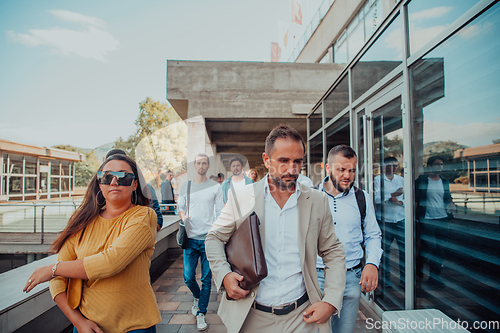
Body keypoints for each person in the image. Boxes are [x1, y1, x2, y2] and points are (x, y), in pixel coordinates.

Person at [205, 125, 346, 333]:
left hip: (303, 318)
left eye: (297, 161)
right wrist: (224, 275)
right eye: (283, 161)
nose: (292, 169)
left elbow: (333, 251)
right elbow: (214, 238)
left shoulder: (317, 201)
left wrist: (331, 300)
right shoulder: (243, 197)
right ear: (266, 160)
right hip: (252, 317)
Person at [23, 154, 161, 333]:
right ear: (99, 183)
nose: (114, 182)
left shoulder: (144, 216)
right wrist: (78, 322)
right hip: (87, 326)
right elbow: (59, 280)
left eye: (123, 177)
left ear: (135, 184)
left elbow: (111, 261)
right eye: (107, 177)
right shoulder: (83, 220)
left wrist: (52, 269)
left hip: (135, 326)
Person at [316, 145, 382, 333]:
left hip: (351, 277)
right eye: (341, 169)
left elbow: (373, 235)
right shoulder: (310, 197)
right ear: (328, 168)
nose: (347, 175)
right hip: (318, 277)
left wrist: (372, 263)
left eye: (352, 170)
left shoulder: (362, 198)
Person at [177, 153, 223, 331]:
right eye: (198, 163)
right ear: (194, 165)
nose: (201, 166)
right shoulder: (186, 186)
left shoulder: (215, 187)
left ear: (208, 165)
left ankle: (201, 313)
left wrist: (218, 234)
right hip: (190, 238)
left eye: (204, 163)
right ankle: (197, 297)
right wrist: (184, 216)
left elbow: (219, 212)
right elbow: (180, 208)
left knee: (206, 279)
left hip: (208, 239)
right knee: (188, 277)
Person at [415, 155, 456, 287]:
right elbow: (415, 199)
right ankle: (418, 270)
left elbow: (448, 196)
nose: (440, 166)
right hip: (427, 219)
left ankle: (434, 277)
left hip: (442, 219)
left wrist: (451, 204)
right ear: (430, 166)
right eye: (437, 164)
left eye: (441, 164)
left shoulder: (444, 181)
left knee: (440, 249)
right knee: (428, 247)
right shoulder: (422, 180)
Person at [106, 149, 163, 231]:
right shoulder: (101, 192)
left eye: (120, 174)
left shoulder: (147, 189)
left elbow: (158, 222)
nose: (114, 182)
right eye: (108, 174)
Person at [374, 156, 405, 288]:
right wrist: (392, 195)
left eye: (396, 165)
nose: (394, 168)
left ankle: (405, 280)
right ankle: (386, 281)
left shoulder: (402, 180)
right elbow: (376, 198)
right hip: (385, 221)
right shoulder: (378, 180)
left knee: (404, 251)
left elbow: (407, 197)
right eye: (391, 165)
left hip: (401, 219)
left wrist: (399, 201)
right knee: (385, 252)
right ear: (384, 166)